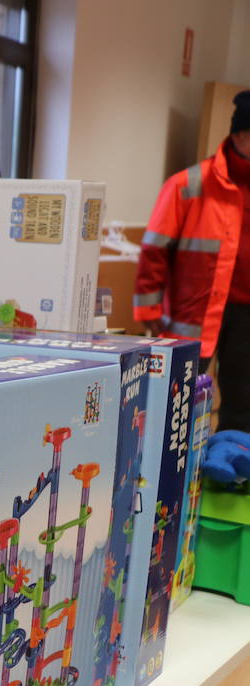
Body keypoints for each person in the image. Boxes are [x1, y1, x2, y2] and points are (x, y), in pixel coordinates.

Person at [134, 90, 250, 432]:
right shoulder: (188, 185)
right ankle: (167, 475)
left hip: (246, 316)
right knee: (177, 399)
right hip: (193, 314)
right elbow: (154, 250)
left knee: (243, 401)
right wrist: (149, 310)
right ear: (241, 135)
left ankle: (232, 470)